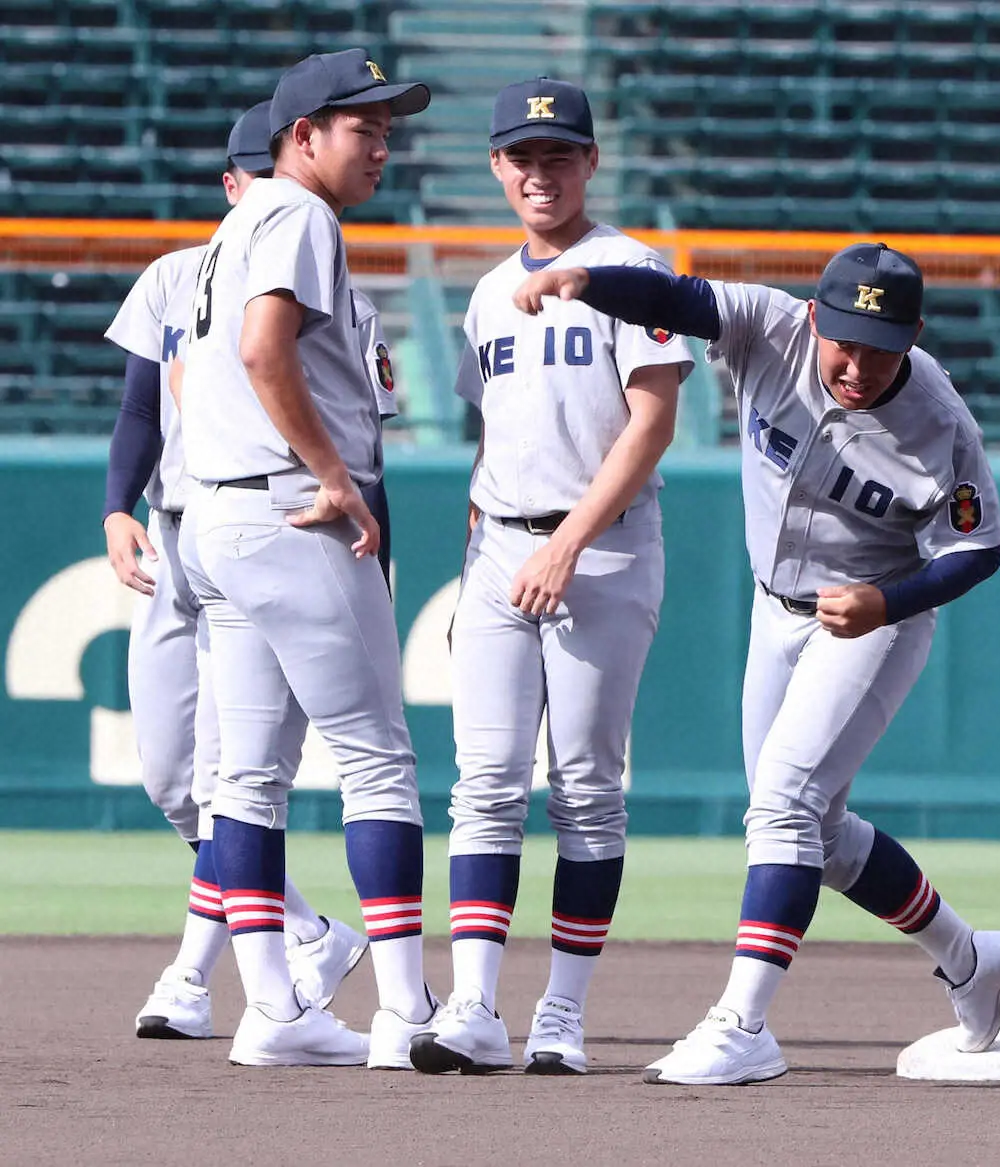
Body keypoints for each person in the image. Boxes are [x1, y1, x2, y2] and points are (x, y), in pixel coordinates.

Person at [512, 242, 1000, 1085]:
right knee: (812, 831)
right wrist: (586, 281)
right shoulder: (772, 327)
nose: (857, 363)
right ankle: (973, 958)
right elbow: (678, 297)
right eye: (845, 339)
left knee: (784, 804)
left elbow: (979, 549)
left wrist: (887, 602)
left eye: (881, 344)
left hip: (872, 622)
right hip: (775, 608)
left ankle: (743, 1023)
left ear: (914, 335)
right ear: (816, 317)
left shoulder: (940, 422)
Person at [408, 78, 693, 1077]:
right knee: (483, 784)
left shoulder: (631, 268)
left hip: (604, 550)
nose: (541, 172)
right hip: (499, 554)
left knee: (584, 789)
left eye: (559, 155)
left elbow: (652, 424)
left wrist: (567, 541)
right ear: (496, 167)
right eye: (522, 157)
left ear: (591, 163)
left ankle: (562, 1015)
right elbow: (493, 438)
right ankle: (476, 1010)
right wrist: (478, 560)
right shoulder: (488, 291)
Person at [103, 100, 386, 1041]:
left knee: (239, 771)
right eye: (234, 175)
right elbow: (145, 406)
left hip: (249, 518)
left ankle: (210, 981)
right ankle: (326, 952)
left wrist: (365, 523)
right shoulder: (198, 267)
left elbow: (367, 428)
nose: (242, 188)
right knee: (183, 775)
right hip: (206, 524)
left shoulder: (310, 268)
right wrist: (115, 504)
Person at [175, 49, 435, 1069]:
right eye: (361, 127)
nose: (381, 145)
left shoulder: (233, 227)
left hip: (221, 519)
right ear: (301, 138)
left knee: (247, 780)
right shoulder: (297, 214)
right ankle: (408, 1014)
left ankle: (276, 1010)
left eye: (386, 128)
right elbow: (261, 350)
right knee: (378, 761)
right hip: (289, 515)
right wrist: (329, 472)